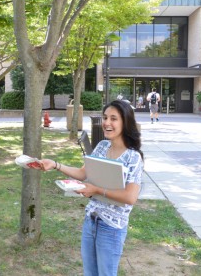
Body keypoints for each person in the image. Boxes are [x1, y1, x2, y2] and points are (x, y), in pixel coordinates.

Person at [35, 100, 144, 276]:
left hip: (112, 227)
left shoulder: (133, 158)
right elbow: (82, 173)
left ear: (125, 122)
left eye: (114, 119)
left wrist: (96, 190)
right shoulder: (102, 147)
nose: (107, 123)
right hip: (91, 221)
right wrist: (54, 164)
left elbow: (130, 198)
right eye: (105, 117)